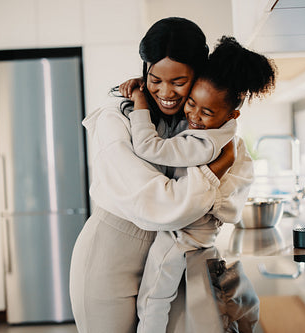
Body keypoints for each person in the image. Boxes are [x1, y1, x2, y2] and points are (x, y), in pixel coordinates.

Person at [69, 17, 245, 333]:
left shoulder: (195, 121)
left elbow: (229, 196)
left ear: (199, 75)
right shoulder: (116, 117)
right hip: (111, 256)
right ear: (144, 71)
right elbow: (160, 206)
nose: (166, 92)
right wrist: (217, 167)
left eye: (179, 81)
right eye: (155, 79)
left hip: (167, 260)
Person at [123, 36, 276, 333]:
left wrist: (141, 101)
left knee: (153, 297)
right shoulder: (223, 132)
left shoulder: (205, 144)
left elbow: (149, 147)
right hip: (199, 232)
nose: (193, 115)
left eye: (206, 112)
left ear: (232, 114)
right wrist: (148, 87)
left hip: (183, 235)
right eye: (191, 103)